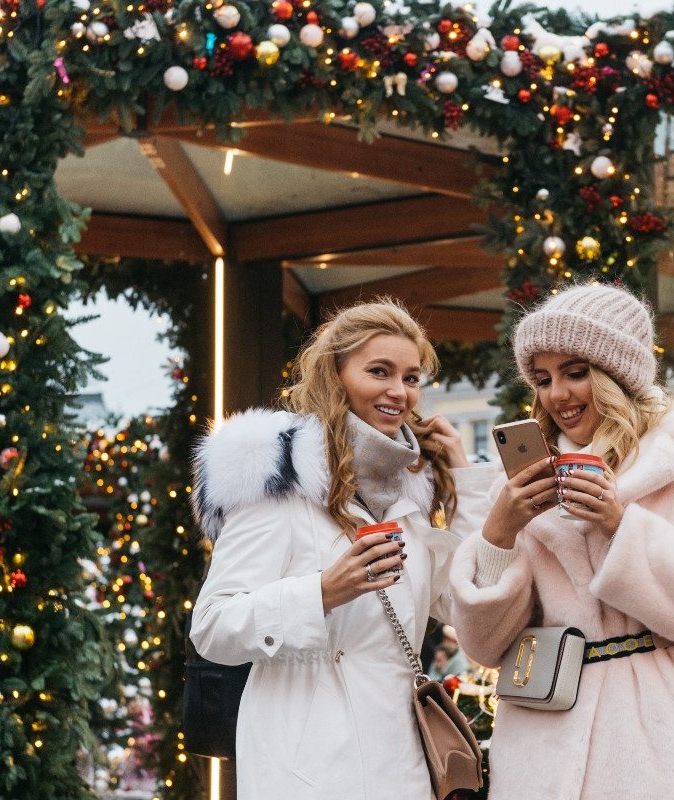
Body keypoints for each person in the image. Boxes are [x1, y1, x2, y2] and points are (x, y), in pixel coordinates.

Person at [448, 283, 674, 799]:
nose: (557, 395)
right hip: (542, 746)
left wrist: (622, 526)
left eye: (576, 372)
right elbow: (484, 647)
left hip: (663, 745)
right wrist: (499, 534)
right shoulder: (523, 482)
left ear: (617, 374)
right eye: (545, 378)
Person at [190, 300, 470, 799]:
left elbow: (458, 604)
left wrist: (465, 477)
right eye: (379, 371)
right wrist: (321, 592)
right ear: (335, 375)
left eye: (410, 377)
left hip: (401, 762)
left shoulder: (409, 491)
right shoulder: (279, 483)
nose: (398, 391)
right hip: (308, 766)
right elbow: (212, 626)